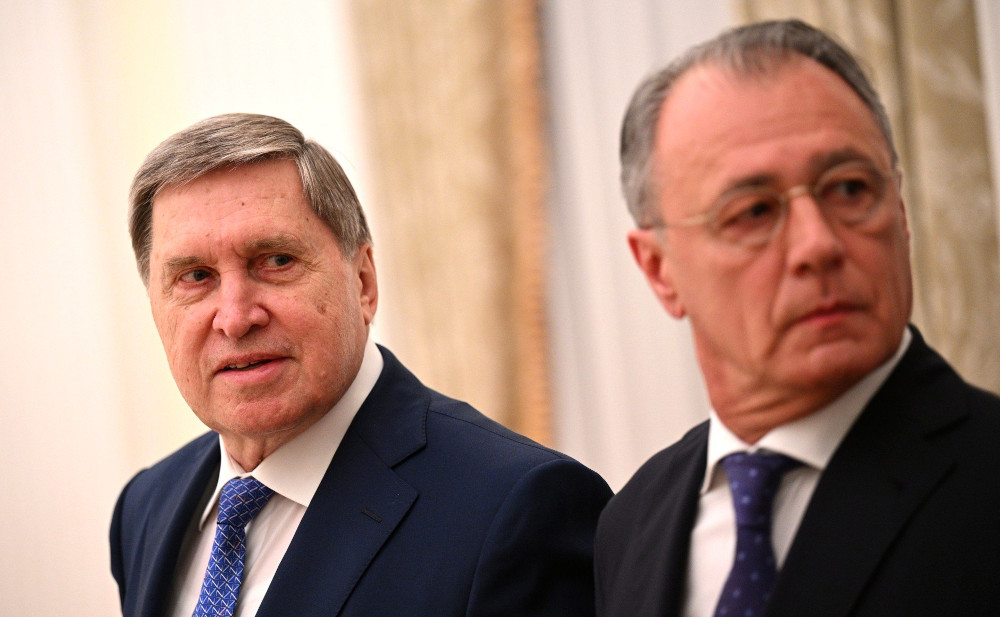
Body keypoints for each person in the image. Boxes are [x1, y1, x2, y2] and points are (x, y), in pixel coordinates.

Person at [110, 113, 612, 617]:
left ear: (364, 282)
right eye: (195, 276)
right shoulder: (146, 508)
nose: (236, 318)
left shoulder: (517, 507)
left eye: (277, 260)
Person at [595, 19, 1000, 617]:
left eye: (849, 189)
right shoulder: (629, 525)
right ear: (659, 269)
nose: (818, 245)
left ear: (902, 211)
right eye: (755, 211)